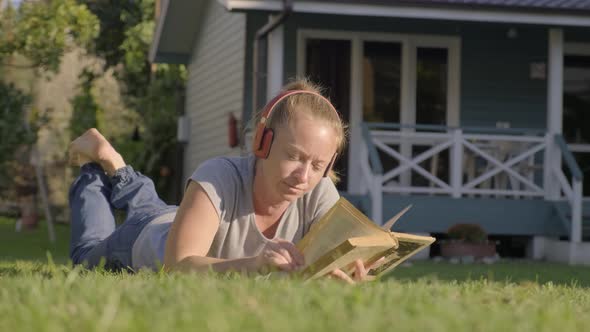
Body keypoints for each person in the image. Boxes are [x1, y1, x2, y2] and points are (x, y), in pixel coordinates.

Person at [69, 79, 377, 283]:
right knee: (87, 256)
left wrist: (349, 272)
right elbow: (177, 268)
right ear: (262, 142)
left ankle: (116, 163)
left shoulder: (319, 190)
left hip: (176, 218)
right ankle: (94, 169)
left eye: (318, 164)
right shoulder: (218, 176)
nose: (304, 175)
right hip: (142, 240)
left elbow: (323, 267)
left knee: (150, 206)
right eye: (294, 157)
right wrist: (254, 264)